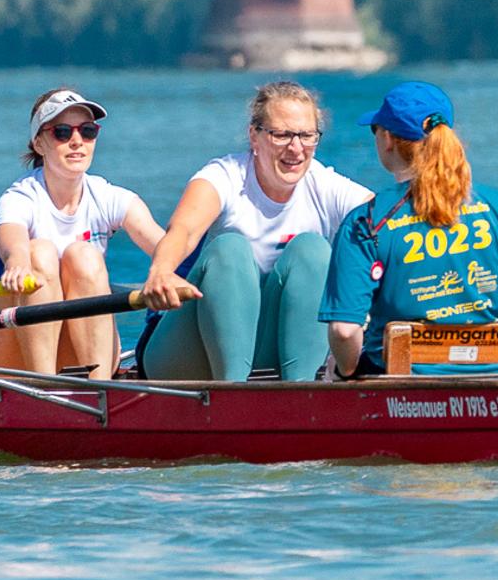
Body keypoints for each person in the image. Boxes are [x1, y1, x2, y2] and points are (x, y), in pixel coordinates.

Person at [321, 80, 498, 375]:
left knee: (335, 365)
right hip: (497, 379)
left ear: (386, 138)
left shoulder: (367, 221)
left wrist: (344, 370)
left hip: (399, 389)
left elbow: (345, 332)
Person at [132, 80, 371, 380]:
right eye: (282, 135)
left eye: (307, 136)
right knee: (230, 249)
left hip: (264, 349)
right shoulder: (224, 176)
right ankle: (234, 393)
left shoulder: (326, 186)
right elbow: (183, 231)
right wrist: (162, 270)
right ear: (254, 137)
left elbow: (391, 228)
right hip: (184, 354)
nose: (296, 148)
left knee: (314, 251)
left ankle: (301, 392)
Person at [0, 85, 163, 377]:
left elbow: (164, 247)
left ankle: (98, 390)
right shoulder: (18, 198)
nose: (77, 141)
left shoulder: (110, 197)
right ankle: (45, 389)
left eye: (87, 131)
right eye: (62, 132)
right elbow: (12, 240)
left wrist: (179, 271)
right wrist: (17, 262)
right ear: (38, 143)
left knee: (84, 255)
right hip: (12, 349)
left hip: (84, 347)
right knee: (39, 252)